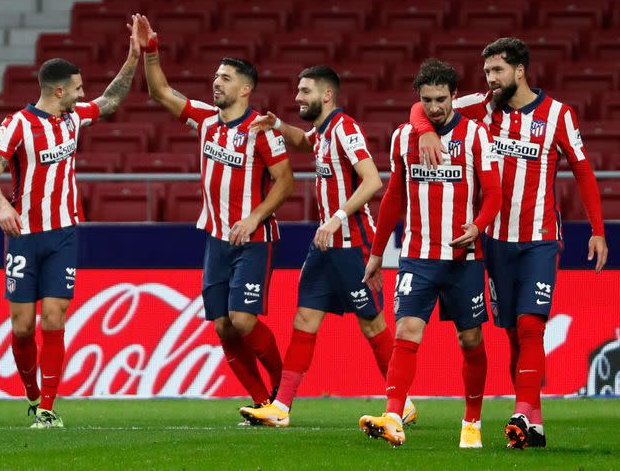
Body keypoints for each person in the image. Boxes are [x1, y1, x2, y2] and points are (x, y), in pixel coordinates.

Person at [411, 38, 608, 449]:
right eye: (486, 73)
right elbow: (423, 105)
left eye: (497, 71)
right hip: (495, 241)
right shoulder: (482, 106)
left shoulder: (558, 115)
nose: (490, 79)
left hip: (538, 239)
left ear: (520, 70)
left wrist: (597, 229)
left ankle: (520, 411)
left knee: (531, 324)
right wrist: (425, 131)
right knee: (514, 336)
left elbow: (584, 172)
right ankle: (533, 421)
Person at [0, 17, 141, 428]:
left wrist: (133, 57)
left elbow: (110, 100)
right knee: (22, 326)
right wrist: (2, 206)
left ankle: (47, 407)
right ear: (58, 90)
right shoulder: (17, 124)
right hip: (23, 236)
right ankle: (33, 394)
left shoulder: (72, 118)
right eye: (77, 88)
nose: (83, 94)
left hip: (64, 232)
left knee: (54, 317)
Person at [133, 14, 294, 419]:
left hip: (254, 240)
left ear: (245, 88)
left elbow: (285, 181)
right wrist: (150, 52)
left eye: (225, 78)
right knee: (223, 327)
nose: (216, 82)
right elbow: (160, 93)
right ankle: (262, 404)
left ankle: (283, 389)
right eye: (216, 76)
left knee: (243, 320)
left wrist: (255, 216)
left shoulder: (262, 129)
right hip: (217, 238)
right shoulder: (206, 120)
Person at [237, 66, 416, 427]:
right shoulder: (322, 131)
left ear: (327, 95)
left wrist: (336, 216)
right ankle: (281, 408)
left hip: (350, 242)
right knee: (304, 318)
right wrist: (277, 127)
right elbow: (305, 142)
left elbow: (371, 181)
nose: (297, 97)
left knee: (371, 325)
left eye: (304, 91)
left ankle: (403, 402)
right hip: (323, 244)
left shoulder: (345, 128)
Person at [359, 59, 502, 448]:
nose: (435, 107)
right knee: (406, 330)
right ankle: (393, 414)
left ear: (456, 96)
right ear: (418, 100)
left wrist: (479, 226)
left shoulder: (475, 136)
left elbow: (493, 194)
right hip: (417, 256)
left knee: (470, 340)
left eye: (442, 99)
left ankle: (471, 420)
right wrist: (376, 253)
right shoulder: (403, 136)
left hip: (464, 258)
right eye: (427, 100)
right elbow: (393, 197)